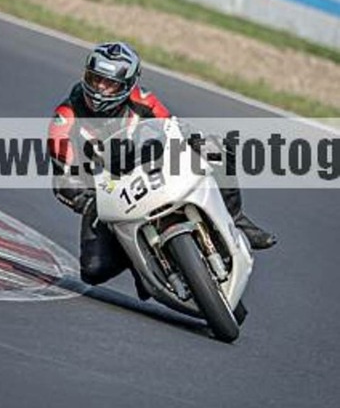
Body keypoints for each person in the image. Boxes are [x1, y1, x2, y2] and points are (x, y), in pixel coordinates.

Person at [48, 42, 277, 299]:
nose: (100, 89)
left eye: (109, 83)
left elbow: (173, 127)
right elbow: (63, 177)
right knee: (94, 270)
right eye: (95, 79)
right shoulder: (66, 118)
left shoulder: (143, 100)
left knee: (218, 150)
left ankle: (235, 218)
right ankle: (139, 260)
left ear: (127, 85)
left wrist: (198, 141)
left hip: (150, 169)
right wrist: (86, 200)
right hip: (106, 193)